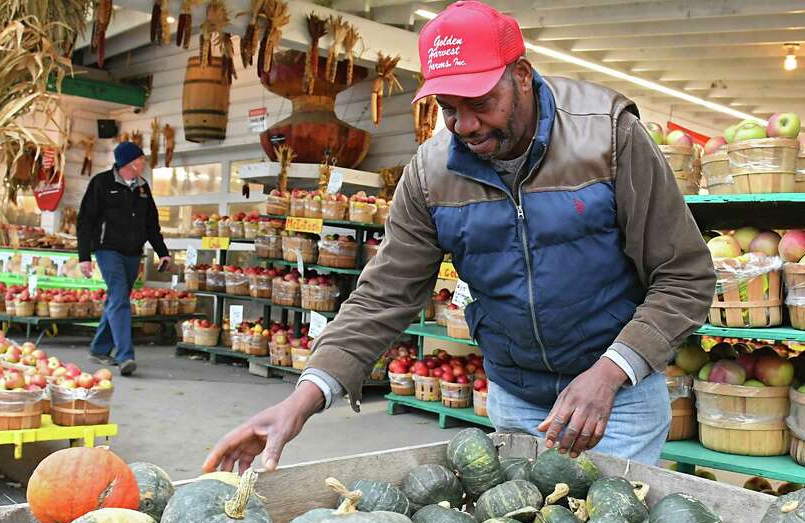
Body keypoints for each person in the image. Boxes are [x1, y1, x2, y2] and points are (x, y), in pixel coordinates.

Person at [204, 0, 715, 474]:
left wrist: (609, 373)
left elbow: (684, 277)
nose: (464, 124)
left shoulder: (608, 136)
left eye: (479, 102)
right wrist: (303, 398)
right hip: (516, 400)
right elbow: (385, 294)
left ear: (521, 75)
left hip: (617, 402)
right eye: (449, 106)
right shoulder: (431, 172)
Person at [76, 141, 171, 376]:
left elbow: (151, 224)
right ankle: (125, 355)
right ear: (128, 162)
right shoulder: (102, 183)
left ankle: (99, 348)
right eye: (139, 159)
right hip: (107, 250)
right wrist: (84, 256)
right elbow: (85, 221)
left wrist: (162, 251)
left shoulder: (142, 187)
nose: (143, 163)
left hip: (132, 253)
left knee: (116, 300)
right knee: (119, 298)